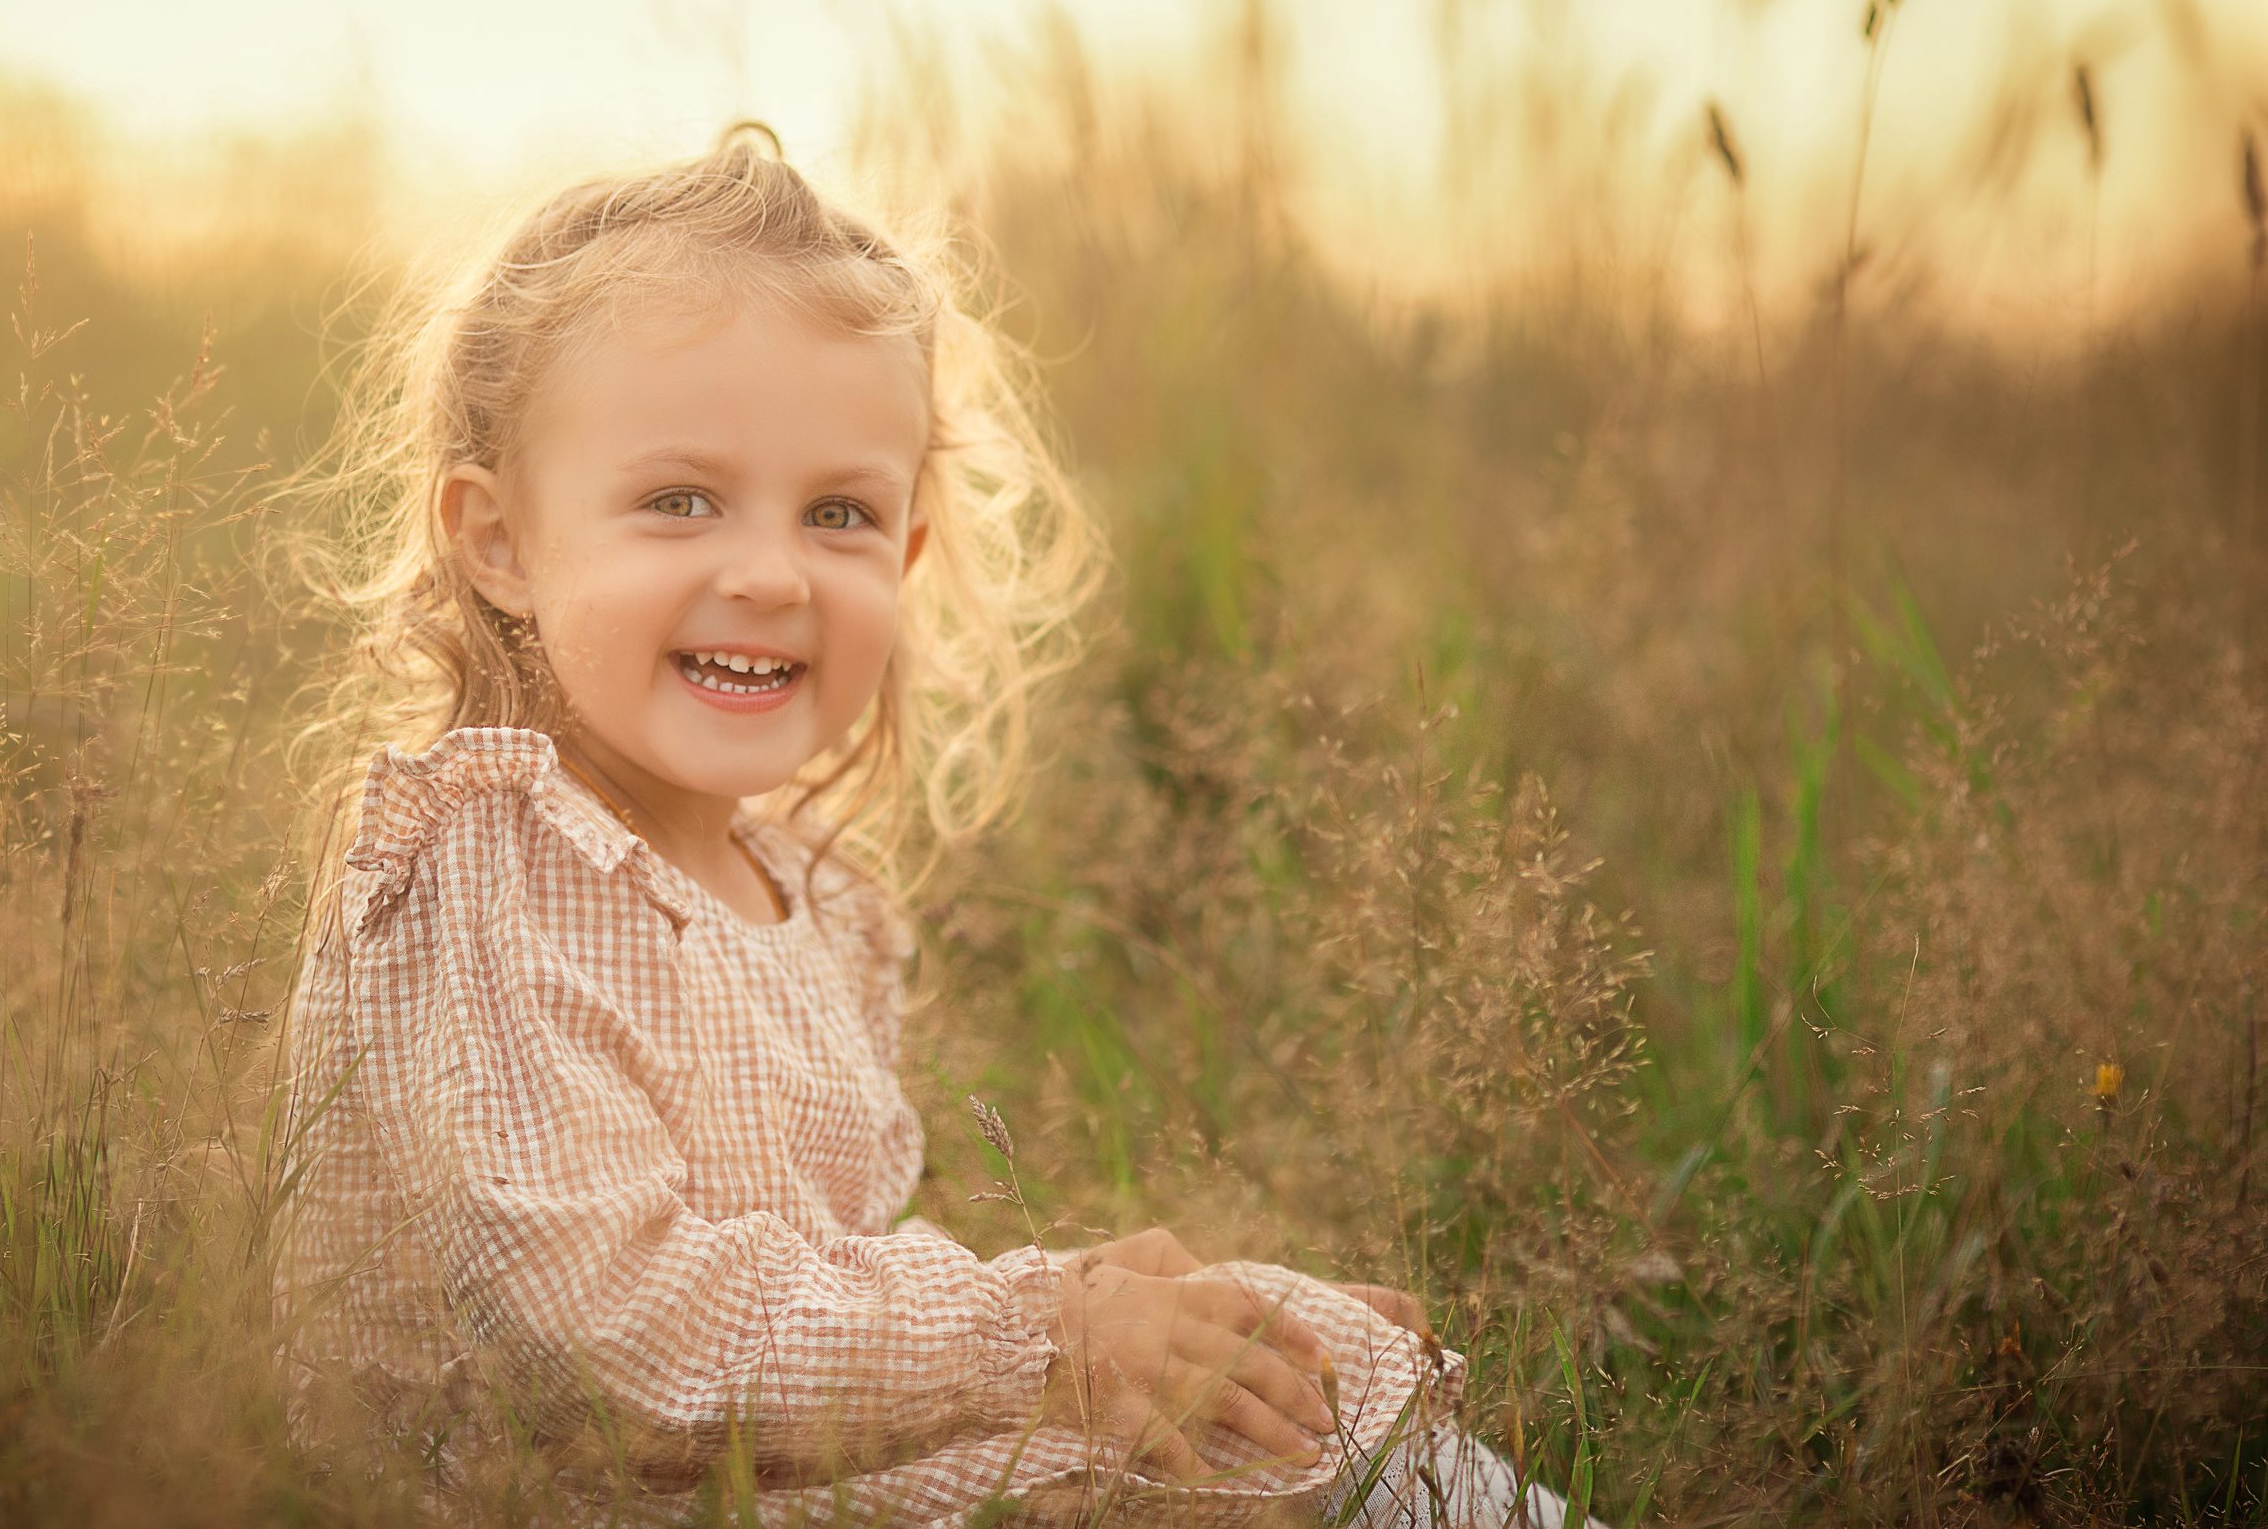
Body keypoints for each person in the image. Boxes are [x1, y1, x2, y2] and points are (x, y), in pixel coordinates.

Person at [274, 128, 1585, 1528]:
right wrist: (1043, 1333)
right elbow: (603, 1347)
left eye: (837, 513)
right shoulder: (490, 864)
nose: (772, 573)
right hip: (559, 1498)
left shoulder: (802, 900)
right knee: (1228, 1417)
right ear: (501, 542)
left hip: (735, 1484)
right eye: (678, 501)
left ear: (899, 555)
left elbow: (815, 1300)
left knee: (1286, 1362)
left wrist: (1109, 1308)